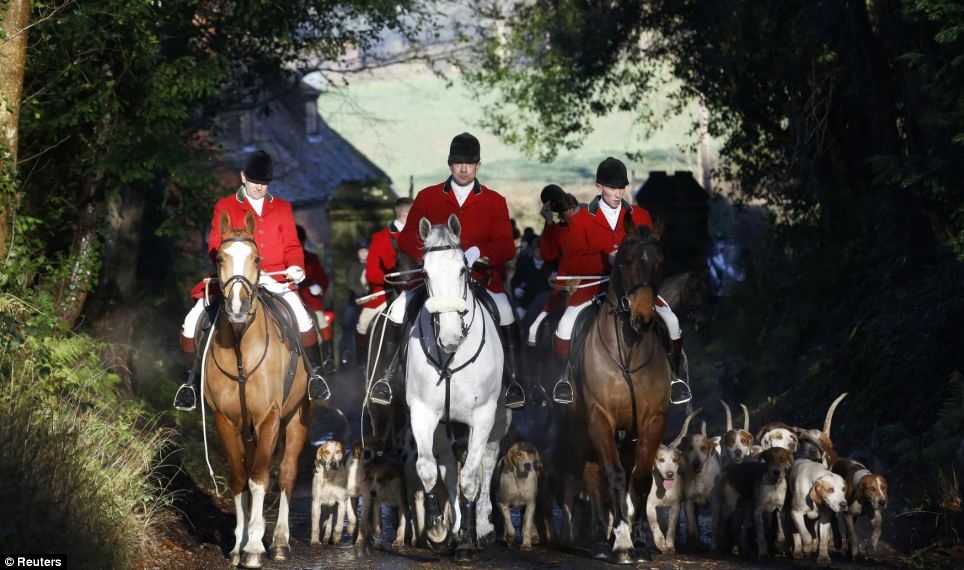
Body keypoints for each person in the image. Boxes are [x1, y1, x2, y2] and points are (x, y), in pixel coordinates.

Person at [367, 132, 526, 409]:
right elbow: (405, 239)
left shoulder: (494, 200)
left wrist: (478, 252)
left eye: (469, 163)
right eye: (458, 163)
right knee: (396, 310)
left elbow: (506, 246)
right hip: (435, 282)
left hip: (480, 279)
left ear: (478, 166)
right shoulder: (428, 197)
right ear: (449, 165)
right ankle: (386, 377)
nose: (463, 169)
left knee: (505, 311)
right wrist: (430, 256)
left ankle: (513, 382)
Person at [173, 150, 331, 410]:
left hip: (275, 278)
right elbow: (215, 243)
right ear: (243, 177)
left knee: (304, 319)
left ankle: (315, 377)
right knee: (191, 322)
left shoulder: (282, 207)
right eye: (255, 181)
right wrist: (231, 268)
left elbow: (292, 244)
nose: (259, 187)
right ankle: (190, 383)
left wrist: (296, 266)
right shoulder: (225, 206)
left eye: (264, 182)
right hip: (235, 277)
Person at [549, 157, 691, 405]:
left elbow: (654, 254)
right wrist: (608, 258)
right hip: (596, 285)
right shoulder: (581, 220)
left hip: (637, 288)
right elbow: (571, 262)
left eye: (622, 188)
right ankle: (565, 380)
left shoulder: (641, 215)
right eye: (612, 188)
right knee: (565, 324)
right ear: (598, 187)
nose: (618, 193)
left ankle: (674, 378)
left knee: (672, 321)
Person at [357, 198, 413, 360]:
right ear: (405, 214)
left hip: (419, 290)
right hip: (387, 292)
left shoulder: (421, 235)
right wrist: (396, 280)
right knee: (363, 324)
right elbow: (372, 273)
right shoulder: (381, 237)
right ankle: (364, 368)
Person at [296, 225, 336, 374]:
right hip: (292, 297)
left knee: (321, 321)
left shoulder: (312, 258)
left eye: (301, 242)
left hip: (310, 299)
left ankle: (328, 357)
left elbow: (323, 279)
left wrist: (318, 287)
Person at [340, 240, 370, 368]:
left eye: (365, 251)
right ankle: (347, 352)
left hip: (371, 302)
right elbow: (351, 284)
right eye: (361, 251)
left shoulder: (372, 265)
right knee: (347, 323)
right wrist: (363, 293)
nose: (363, 254)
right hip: (355, 302)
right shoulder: (353, 266)